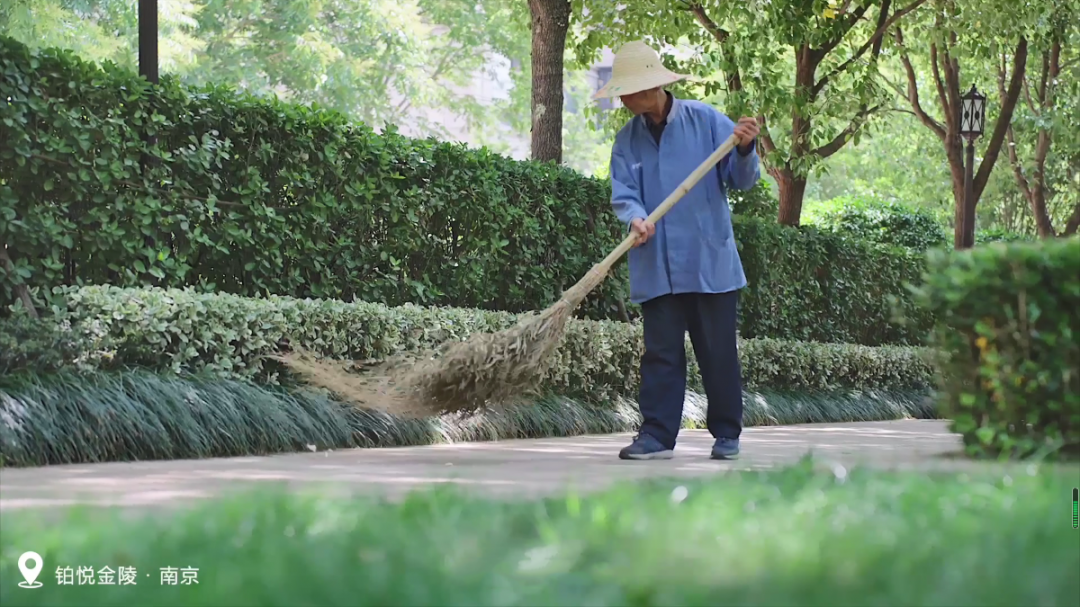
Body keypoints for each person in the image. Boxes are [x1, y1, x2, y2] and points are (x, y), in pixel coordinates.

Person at [592, 40, 761, 461]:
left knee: (717, 352)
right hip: (656, 262)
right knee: (661, 355)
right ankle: (656, 435)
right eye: (623, 93)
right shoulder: (627, 140)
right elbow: (623, 191)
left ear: (654, 87)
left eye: (630, 91)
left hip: (709, 262)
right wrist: (634, 217)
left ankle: (727, 434)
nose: (625, 99)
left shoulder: (706, 121)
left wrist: (742, 148)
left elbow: (741, 180)